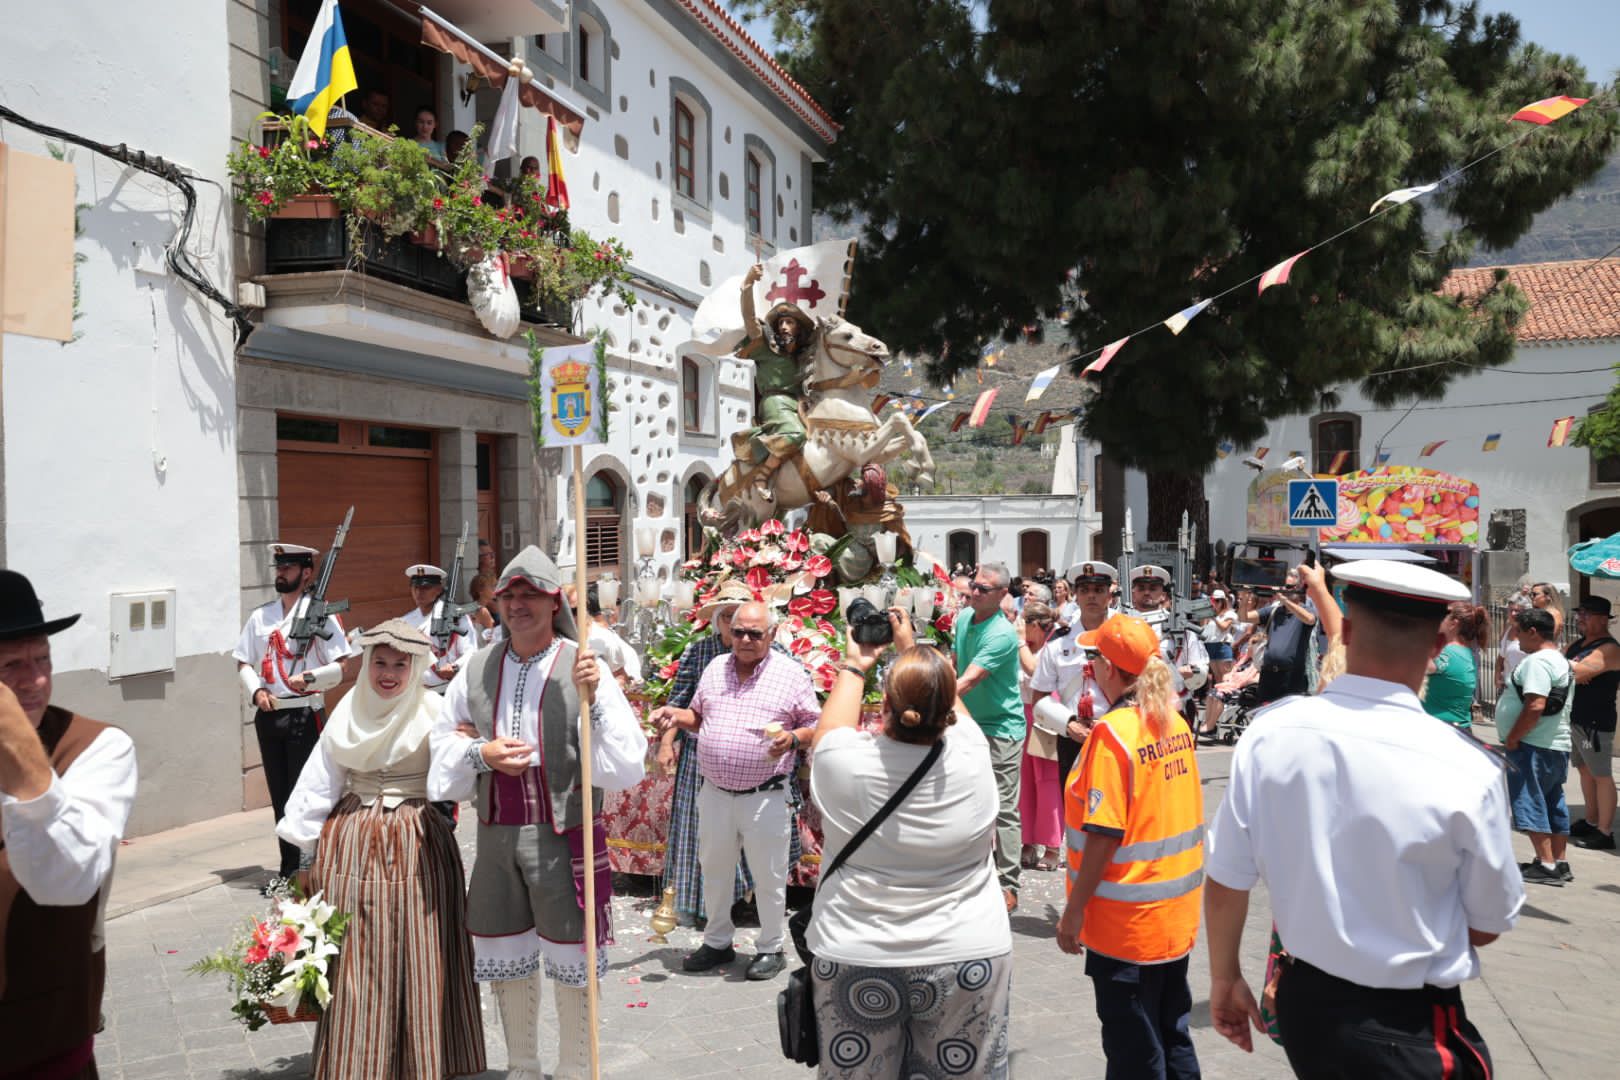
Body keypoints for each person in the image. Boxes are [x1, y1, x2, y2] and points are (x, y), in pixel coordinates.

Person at [1204, 560, 1521, 1077]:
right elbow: (1487, 925)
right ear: (1438, 647)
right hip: (1406, 1021)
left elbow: (1226, 878)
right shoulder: (1469, 767)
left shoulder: (1269, 734)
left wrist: (1224, 978)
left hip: (1304, 1003)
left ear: (1346, 632)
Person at [427, 547, 646, 1080]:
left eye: (531, 595)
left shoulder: (583, 663)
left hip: (563, 830)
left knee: (572, 954)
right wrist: (482, 752)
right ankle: (522, 1066)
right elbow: (441, 743)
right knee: (505, 947)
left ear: (555, 604)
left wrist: (594, 699)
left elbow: (626, 763)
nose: (518, 605)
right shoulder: (477, 667)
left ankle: (574, 1068)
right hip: (496, 832)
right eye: (510, 596)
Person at [277, 620, 483, 1079]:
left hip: (418, 838)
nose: (388, 674)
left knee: (423, 948)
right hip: (351, 840)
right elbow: (320, 781)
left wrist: (469, 747)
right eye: (381, 663)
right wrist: (305, 858)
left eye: (400, 665)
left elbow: (457, 781)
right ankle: (359, 1064)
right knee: (358, 952)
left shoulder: (436, 711)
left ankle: (423, 1061)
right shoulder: (349, 709)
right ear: (368, 663)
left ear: (417, 667)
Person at [807, 618, 1011, 1078]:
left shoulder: (844, 763)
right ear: (947, 711)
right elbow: (950, 703)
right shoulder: (973, 756)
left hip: (857, 951)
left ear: (885, 706)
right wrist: (914, 649)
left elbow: (827, 732)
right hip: (967, 954)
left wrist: (856, 664)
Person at [0, 571, 137, 1079]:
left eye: (42, 660)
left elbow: (67, 881)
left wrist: (24, 765)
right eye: (11, 665)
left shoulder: (97, 748)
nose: (33, 679)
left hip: (42, 1043)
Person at [1056, 613, 1203, 1080]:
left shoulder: (1112, 734)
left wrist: (1073, 912)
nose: (1092, 667)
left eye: (1095, 658)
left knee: (1134, 1054)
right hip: (1172, 918)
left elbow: (1104, 833)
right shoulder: (1173, 722)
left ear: (1109, 669)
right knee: (1172, 1035)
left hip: (1126, 927)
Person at [659, 602, 819, 981]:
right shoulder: (715, 667)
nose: (745, 639)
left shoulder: (790, 674)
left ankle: (770, 947)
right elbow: (698, 716)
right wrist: (676, 716)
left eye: (754, 633)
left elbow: (815, 723)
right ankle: (717, 942)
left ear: (772, 634)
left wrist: (793, 739)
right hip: (715, 792)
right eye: (738, 632)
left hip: (765, 794)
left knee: (768, 875)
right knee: (714, 870)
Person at [234, 542, 357, 880]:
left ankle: (313, 869)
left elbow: (342, 665)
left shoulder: (322, 614)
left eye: (287, 568)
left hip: (305, 714)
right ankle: (289, 872)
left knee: (307, 794)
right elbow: (243, 661)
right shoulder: (261, 616)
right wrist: (257, 690)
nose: (281, 573)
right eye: (279, 567)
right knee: (281, 795)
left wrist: (312, 678)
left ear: (306, 573)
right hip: (270, 714)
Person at [651, 581, 757, 926]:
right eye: (727, 617)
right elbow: (678, 700)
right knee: (697, 829)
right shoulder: (699, 652)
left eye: (739, 617)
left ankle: (742, 900)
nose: (734, 626)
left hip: (749, 758)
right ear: (717, 621)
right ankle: (697, 904)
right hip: (700, 756)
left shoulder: (768, 653)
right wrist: (667, 743)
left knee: (746, 830)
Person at [953, 562, 1026, 911]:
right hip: (966, 722)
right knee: (966, 802)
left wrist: (928, 698)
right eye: (974, 585)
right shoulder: (964, 618)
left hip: (1001, 728)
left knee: (1004, 808)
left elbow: (967, 680)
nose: (975, 592)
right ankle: (970, 874)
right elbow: (956, 664)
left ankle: (1008, 883)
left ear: (1002, 595)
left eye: (984, 589)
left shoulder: (1002, 633)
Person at [1497, 607, 1576, 886]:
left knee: (1529, 799)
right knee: (1552, 801)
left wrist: (1513, 737)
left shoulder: (1537, 662)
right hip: (1554, 744)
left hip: (1533, 744)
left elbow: (1535, 704)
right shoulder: (1560, 660)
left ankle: (1546, 864)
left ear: (1532, 632)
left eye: (1518, 631)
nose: (1515, 637)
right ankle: (1558, 861)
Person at [1031, 561, 1118, 791]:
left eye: (1098, 590)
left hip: (1118, 734)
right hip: (1073, 737)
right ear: (1076, 596)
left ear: (1109, 595)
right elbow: (1039, 697)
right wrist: (1068, 724)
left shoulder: (1125, 637)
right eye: (1084, 590)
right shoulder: (1058, 642)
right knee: (1074, 806)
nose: (1091, 596)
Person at [736, 262, 818, 500]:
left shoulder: (803, 355)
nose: (784, 327)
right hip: (775, 401)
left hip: (800, 404)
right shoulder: (765, 346)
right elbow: (750, 318)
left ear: (798, 328)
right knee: (796, 434)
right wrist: (748, 283)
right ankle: (762, 475)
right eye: (781, 323)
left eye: (789, 322)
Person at [1567, 595, 1620, 850]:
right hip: (1577, 717)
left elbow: (1574, 672)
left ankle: (1605, 831)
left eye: (1586, 614)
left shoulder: (1609, 648)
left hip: (1595, 722)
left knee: (1601, 775)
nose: (1580, 618)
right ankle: (1591, 820)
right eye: (1579, 613)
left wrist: (1576, 670)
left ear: (1603, 619)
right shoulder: (1578, 644)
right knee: (1584, 770)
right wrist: (1575, 670)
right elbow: (1563, 668)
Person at [1017, 600, 1061, 872]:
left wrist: (1020, 643)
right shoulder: (1024, 647)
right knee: (1024, 783)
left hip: (1045, 715)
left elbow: (1035, 672)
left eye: (1023, 624)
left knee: (1046, 781)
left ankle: (1052, 846)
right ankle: (1028, 841)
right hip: (1021, 714)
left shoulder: (1051, 647)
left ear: (1034, 626)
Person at [1239, 565, 1317, 704]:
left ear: (1298, 588)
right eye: (1282, 587)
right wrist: (1245, 598)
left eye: (1288, 587)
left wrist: (1284, 600)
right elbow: (1244, 617)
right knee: (1263, 712)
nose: (1284, 590)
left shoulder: (1306, 610)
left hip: (1291, 676)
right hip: (1268, 675)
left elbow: (1310, 619)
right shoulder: (1274, 610)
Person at [400, 564, 476, 693]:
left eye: (425, 588)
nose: (419, 592)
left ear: (438, 589)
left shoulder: (455, 616)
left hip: (447, 690)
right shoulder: (405, 621)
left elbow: (471, 652)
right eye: (415, 587)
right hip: (416, 692)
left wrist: (455, 667)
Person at [1424, 601, 1488, 731]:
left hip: (1441, 730)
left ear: (1454, 623)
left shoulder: (1446, 653)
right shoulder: (1465, 652)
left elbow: (1414, 666)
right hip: (1457, 728)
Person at [468, 572, 499, 644]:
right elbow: (491, 641)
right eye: (492, 586)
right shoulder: (482, 611)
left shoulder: (471, 607)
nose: (495, 589)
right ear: (480, 591)